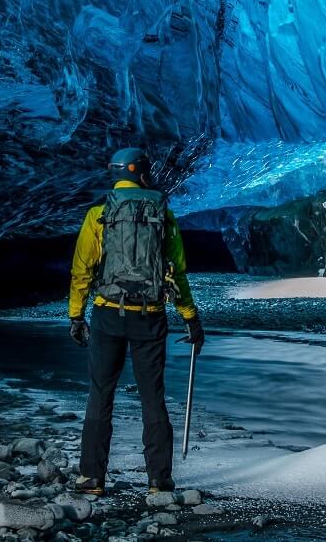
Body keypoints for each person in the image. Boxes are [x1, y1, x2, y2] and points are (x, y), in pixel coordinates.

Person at [67, 147, 205, 496]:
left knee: (100, 394)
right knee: (152, 398)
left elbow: (82, 270)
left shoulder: (99, 214)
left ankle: (92, 479)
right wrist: (190, 318)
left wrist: (75, 315)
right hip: (150, 316)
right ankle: (159, 481)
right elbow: (178, 272)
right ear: (140, 171)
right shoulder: (163, 213)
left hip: (107, 314)